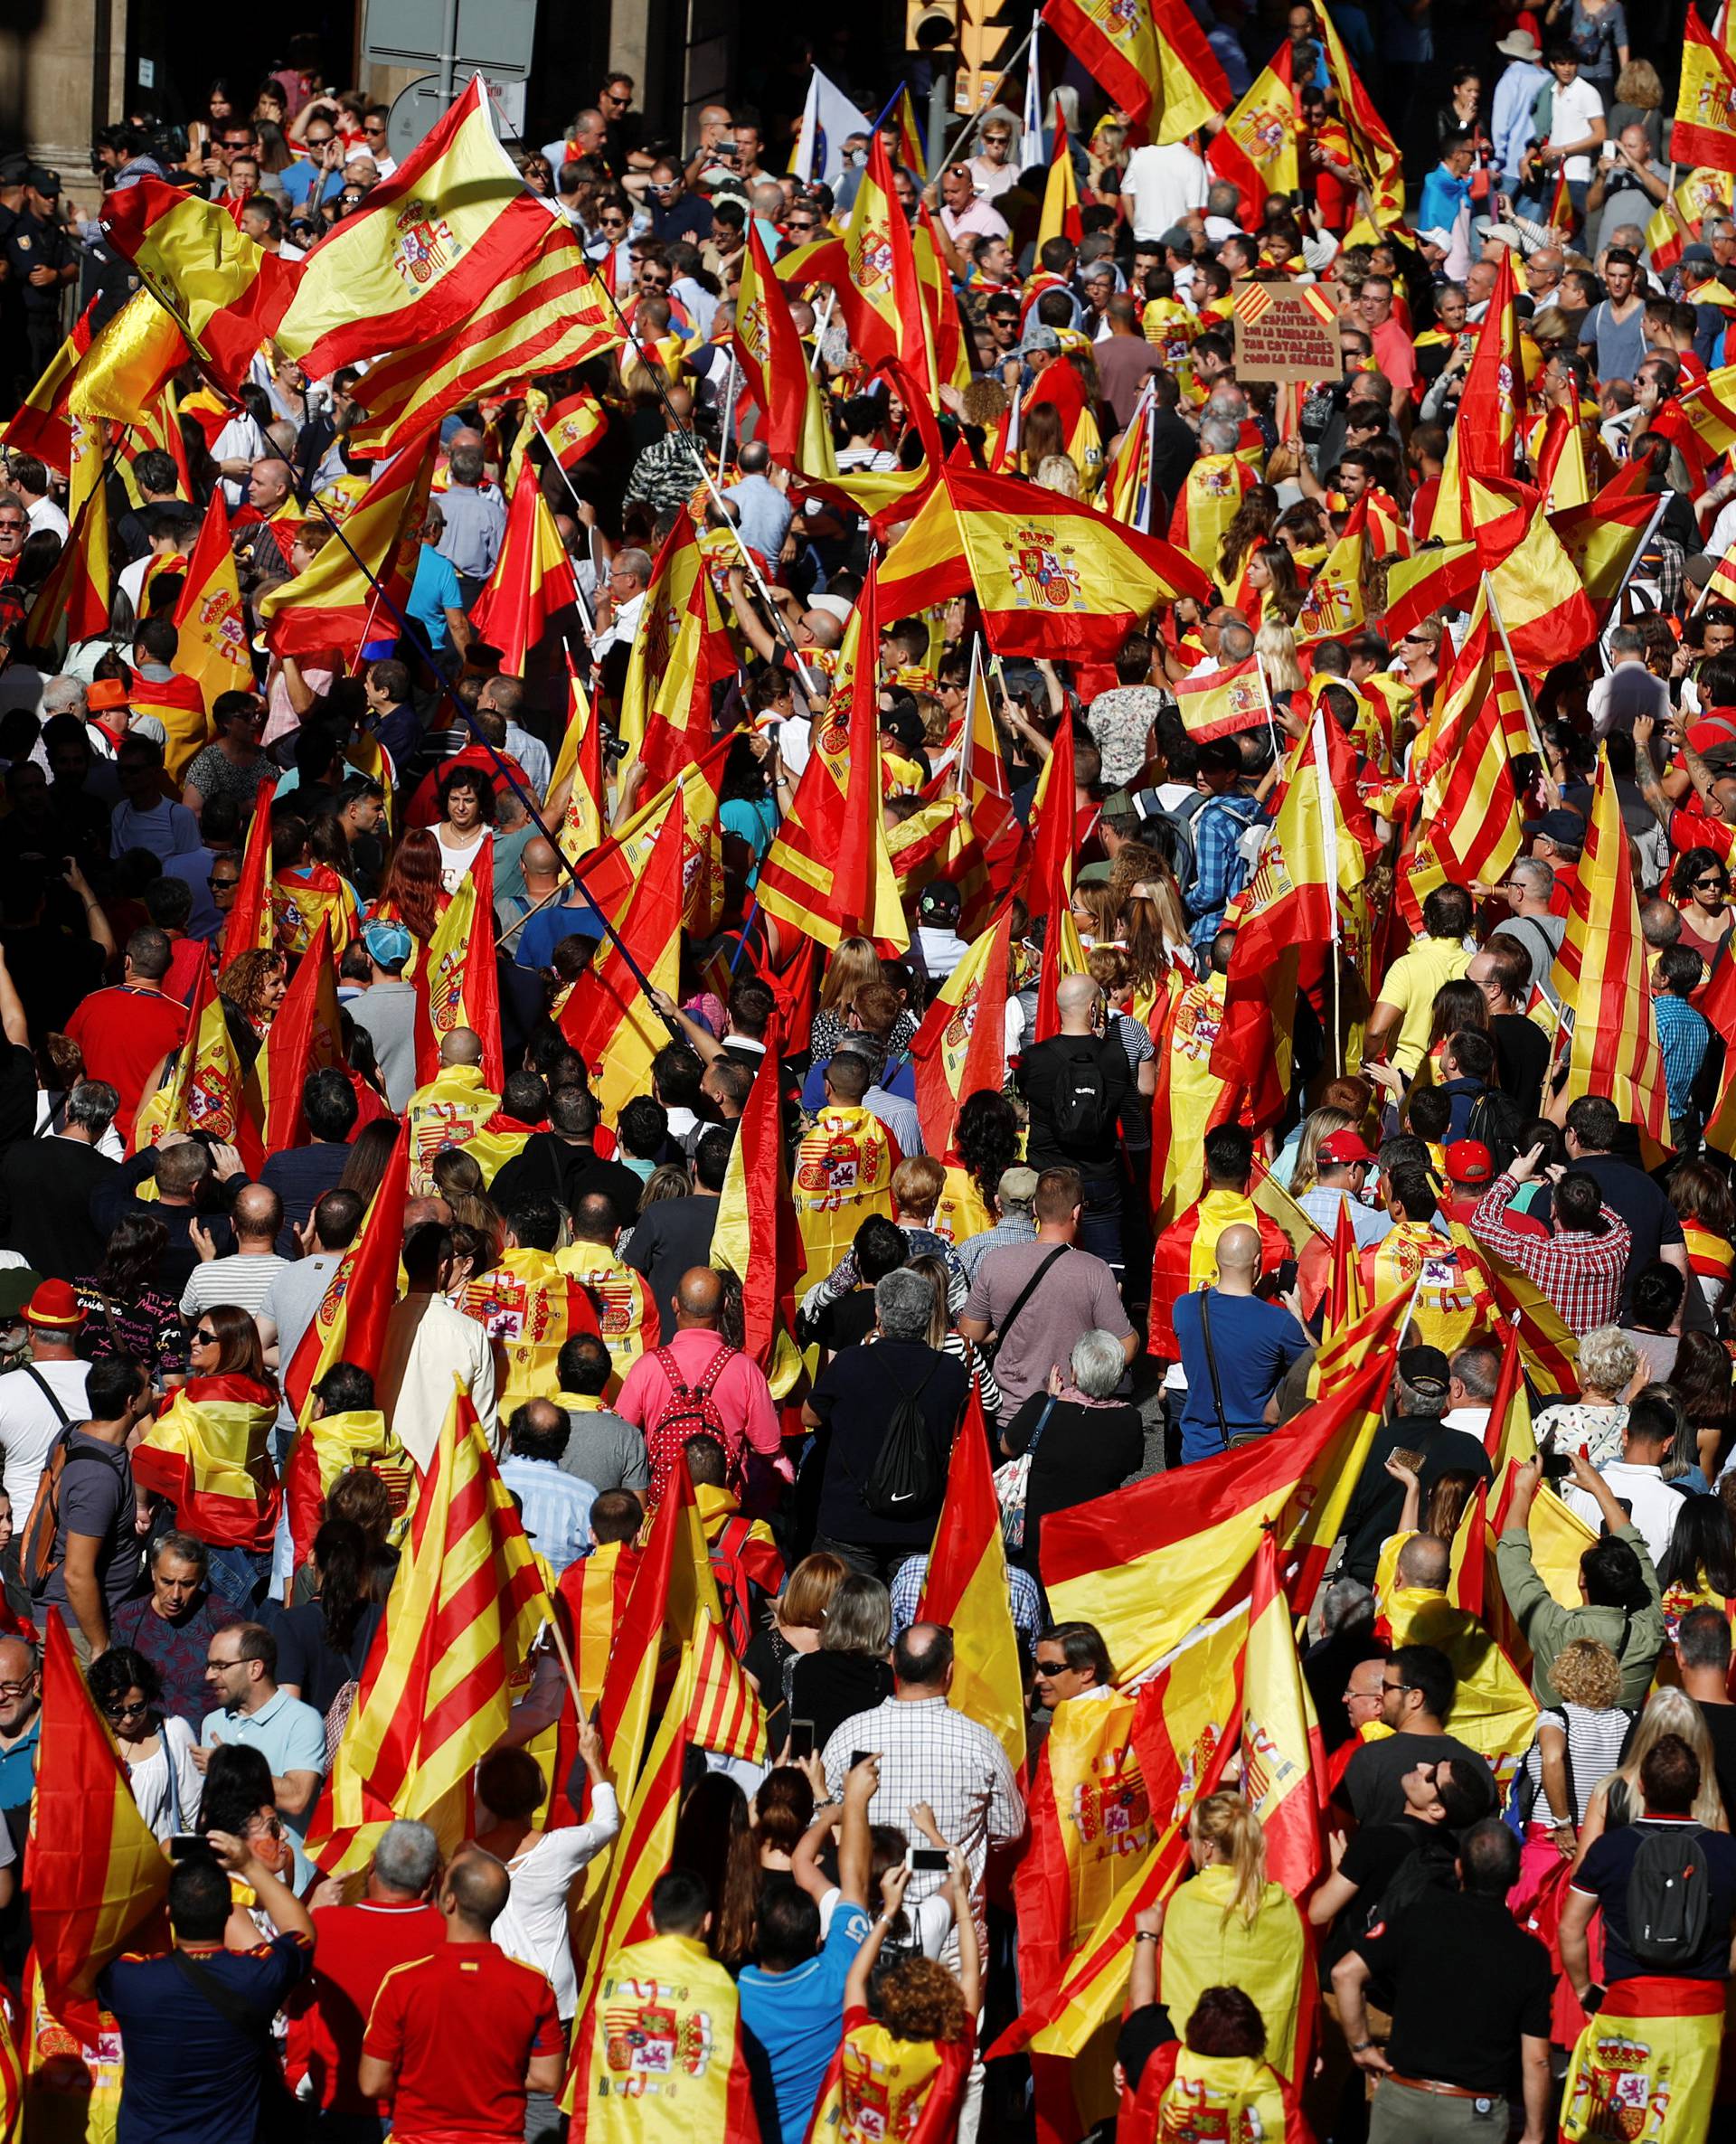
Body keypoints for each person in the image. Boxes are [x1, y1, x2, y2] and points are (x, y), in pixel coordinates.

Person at [1332, 1819, 1552, 2144]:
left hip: (1403, 2101)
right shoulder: (1530, 1955)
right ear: (1516, 1876)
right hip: (1475, 2115)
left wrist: (1361, 2046)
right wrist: (1535, 2133)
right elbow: (1537, 2058)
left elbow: (1345, 1973)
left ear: (1460, 1867)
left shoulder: (1417, 1917)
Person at [1558, 1733, 1736, 2134]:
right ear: (1698, 1789)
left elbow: (1570, 1927)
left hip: (1629, 2007)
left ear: (1640, 1787)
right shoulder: (1728, 1852)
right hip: (1701, 2014)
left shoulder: (1609, 1850)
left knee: (1623, 2129)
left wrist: (1585, 1990)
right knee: (1681, 2130)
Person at [99, 1827, 315, 2144]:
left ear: (169, 1913)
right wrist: (248, 1865)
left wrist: (159, 1858)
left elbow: (104, 1936)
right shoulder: (256, 1977)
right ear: (229, 1911)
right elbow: (302, 1933)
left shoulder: (130, 1980)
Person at [821, 1623, 1024, 1956]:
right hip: (954, 1934)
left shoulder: (850, 1735)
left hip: (868, 1928)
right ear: (950, 1672)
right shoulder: (980, 1742)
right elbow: (1009, 1831)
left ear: (892, 1662)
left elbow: (824, 1821)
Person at [358, 1848, 566, 2136]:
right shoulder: (533, 1986)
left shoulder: (403, 1983)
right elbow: (547, 2078)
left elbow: (372, 2083)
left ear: (449, 1901)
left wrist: (425, 2082)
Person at [737, 1752, 876, 2144]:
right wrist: (846, 1806)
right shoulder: (836, 1977)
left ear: (754, 1935)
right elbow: (856, 1887)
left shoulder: (727, 1993)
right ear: (819, 1939)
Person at [802, 1270, 970, 1581]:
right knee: (914, 1625)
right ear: (930, 1315)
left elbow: (809, 1416)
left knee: (842, 1623)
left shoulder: (851, 1363)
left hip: (848, 1523)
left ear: (878, 1312)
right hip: (921, 1524)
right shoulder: (952, 1373)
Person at [569, 1868, 758, 2135]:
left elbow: (591, 2060)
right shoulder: (719, 1985)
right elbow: (731, 2080)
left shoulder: (619, 1971)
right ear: (707, 1921)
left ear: (650, 1920)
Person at [287, 1820, 444, 2132]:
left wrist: (309, 1914)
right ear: (429, 1882)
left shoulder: (323, 1926)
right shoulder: (450, 1933)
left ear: (372, 1864)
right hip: (417, 2109)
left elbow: (286, 1993)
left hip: (336, 2103)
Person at [958, 1166, 1137, 1421]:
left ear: (1035, 1211)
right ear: (1077, 1212)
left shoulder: (995, 1262)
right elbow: (1127, 1346)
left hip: (1008, 1413)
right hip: (1071, 1415)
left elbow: (968, 1334)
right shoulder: (1094, 1271)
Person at [472, 1724, 619, 2029]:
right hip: (552, 1996)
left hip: (492, 1995)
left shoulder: (465, 1857)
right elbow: (608, 1821)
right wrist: (592, 1759)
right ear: (539, 1792)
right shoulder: (558, 1849)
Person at [1497, 1450, 1666, 1707]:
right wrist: (1601, 1490)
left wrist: (1521, 1490)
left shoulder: (1553, 1629)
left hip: (1557, 1745)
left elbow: (1512, 1557)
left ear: (1582, 1581)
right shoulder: (1648, 1633)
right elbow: (1640, 1555)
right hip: (1622, 1747)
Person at [615, 1265, 781, 1505]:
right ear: (724, 1305)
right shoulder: (745, 1369)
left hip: (664, 1510)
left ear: (674, 1304)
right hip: (724, 1510)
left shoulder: (647, 1367)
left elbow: (623, 1437)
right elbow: (768, 1446)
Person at [32, 1351, 151, 1661]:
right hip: (78, 1630)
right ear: (131, 1401)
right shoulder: (97, 1479)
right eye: (149, 1386)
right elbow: (76, 1574)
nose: (156, 1391)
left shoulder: (75, 1432)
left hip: (78, 1620)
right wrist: (100, 1646)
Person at [996, 1328, 1144, 1574]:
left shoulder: (1041, 1408)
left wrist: (1052, 1400)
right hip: (1090, 1540)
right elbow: (1131, 1465)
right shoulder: (1129, 1421)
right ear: (1117, 1377)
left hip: (1034, 1542)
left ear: (1074, 1373)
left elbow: (1006, 1447)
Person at [1015, 973, 1132, 1268]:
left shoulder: (1033, 1058)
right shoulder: (1115, 1057)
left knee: (1046, 1266)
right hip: (1099, 1178)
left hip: (1048, 1179)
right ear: (1094, 1009)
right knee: (1107, 1267)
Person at [197, 1622, 327, 1881]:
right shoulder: (213, 1723)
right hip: (232, 1887)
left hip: (288, 1884)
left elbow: (297, 1797)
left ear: (255, 1668)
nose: (209, 1676)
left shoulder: (302, 1720)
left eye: (221, 1666)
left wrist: (230, 1769)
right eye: (209, 1665)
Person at [1171, 1223, 1310, 1462]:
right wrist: (1299, 1317)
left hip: (1197, 1452)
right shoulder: (1280, 1324)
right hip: (1252, 1455)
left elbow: (1227, 1327)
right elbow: (1319, 1364)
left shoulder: (1184, 1307)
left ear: (1216, 1258)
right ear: (1258, 1262)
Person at [108, 1532, 244, 1726]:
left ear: (201, 1579)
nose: (175, 1595)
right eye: (167, 1582)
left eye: (187, 1584)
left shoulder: (223, 1619)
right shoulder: (129, 1619)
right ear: (153, 1573)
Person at [89, 1646, 203, 1843]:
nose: (128, 1719)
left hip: (163, 1864)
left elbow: (196, 1815)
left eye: (137, 1707)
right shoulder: (92, 1742)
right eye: (115, 1711)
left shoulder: (174, 1732)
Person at [0, 1277, 90, 1518]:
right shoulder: (104, 1382)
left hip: (22, 1524)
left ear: (31, 1331)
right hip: (89, 1526)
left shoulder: (3, 1388)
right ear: (77, 1328)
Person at [497, 1400, 596, 1573]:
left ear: (511, 1438)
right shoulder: (586, 1496)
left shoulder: (485, 1481)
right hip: (558, 1597)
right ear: (564, 1444)